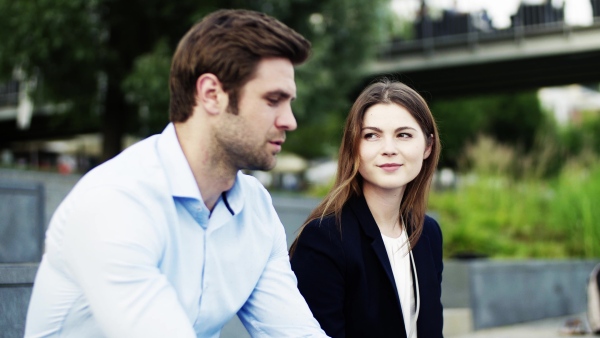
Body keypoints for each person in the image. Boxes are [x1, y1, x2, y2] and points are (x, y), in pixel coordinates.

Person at [25, 9, 328, 338]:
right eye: (273, 100)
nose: (290, 121)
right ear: (211, 94)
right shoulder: (115, 202)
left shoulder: (256, 209)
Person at [290, 79, 443, 338]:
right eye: (371, 135)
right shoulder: (325, 237)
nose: (389, 150)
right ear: (354, 146)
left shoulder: (427, 232)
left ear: (427, 146)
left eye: (403, 135)